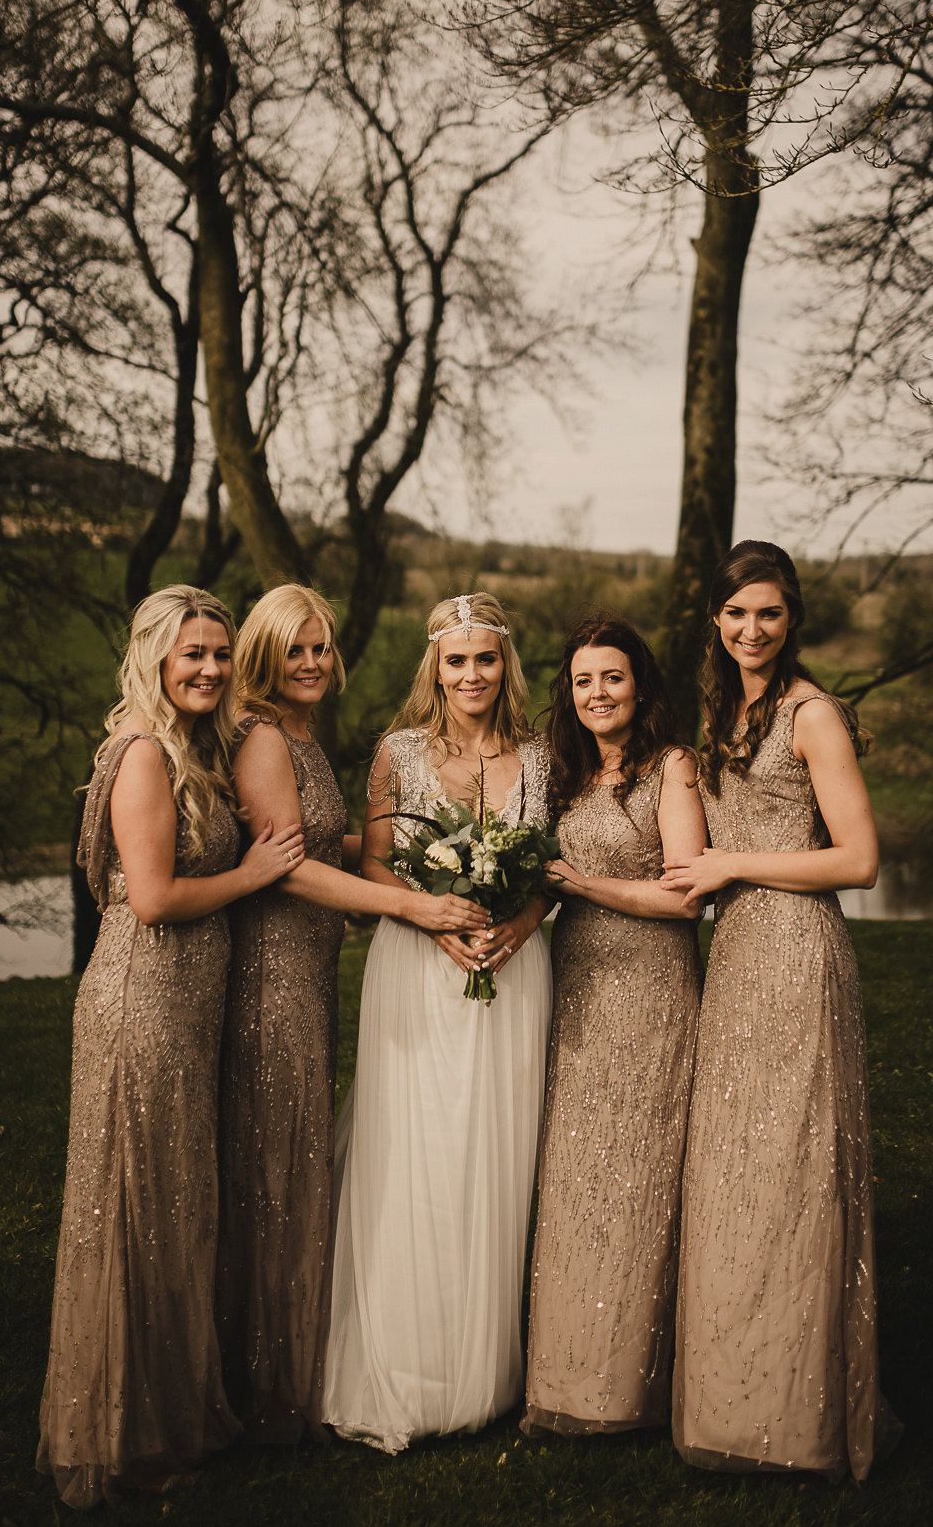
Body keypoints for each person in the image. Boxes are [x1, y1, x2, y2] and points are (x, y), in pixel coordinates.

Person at [37, 587, 302, 1510]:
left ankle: (171, 1411)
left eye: (222, 655)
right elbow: (150, 899)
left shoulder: (198, 751)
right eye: (193, 653)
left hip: (189, 1007)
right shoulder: (145, 753)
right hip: (142, 999)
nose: (211, 669)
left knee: (173, 1207)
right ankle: (121, 1435)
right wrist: (253, 873)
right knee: (134, 1209)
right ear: (154, 656)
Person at [217, 583, 489, 1443]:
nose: (311, 663)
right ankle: (266, 1382)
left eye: (321, 648)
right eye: (294, 649)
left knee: (294, 1157)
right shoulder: (263, 736)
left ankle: (286, 1360)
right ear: (263, 656)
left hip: (307, 968)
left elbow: (319, 839)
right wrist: (414, 907)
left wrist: (420, 854)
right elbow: (289, 869)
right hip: (271, 972)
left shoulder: (303, 738)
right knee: (274, 1166)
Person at [662, 541, 901, 1481]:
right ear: (715, 624)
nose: (750, 629)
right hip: (737, 963)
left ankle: (802, 1418)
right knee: (738, 1176)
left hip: (799, 954)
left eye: (767, 612)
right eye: (735, 615)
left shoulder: (812, 715)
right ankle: (735, 1404)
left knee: (796, 1170)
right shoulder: (725, 712)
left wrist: (732, 865)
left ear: (790, 616)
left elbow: (858, 860)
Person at [322, 592, 553, 1453]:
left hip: (514, 972)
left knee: (494, 1150)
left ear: (505, 665)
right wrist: (438, 920)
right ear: (435, 667)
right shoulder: (398, 754)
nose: (470, 675)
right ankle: (409, 1367)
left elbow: (544, 877)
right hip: (419, 968)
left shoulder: (539, 757)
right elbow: (378, 864)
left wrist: (516, 928)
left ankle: (484, 1373)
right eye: (455, 661)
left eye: (485, 659)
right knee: (415, 1147)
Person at [524, 613, 707, 1435]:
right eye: (583, 680)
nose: (597, 693)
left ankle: (631, 1383)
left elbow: (686, 895)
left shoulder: (671, 767)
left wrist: (581, 884)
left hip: (650, 981)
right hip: (577, 981)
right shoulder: (563, 774)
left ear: (641, 684)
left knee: (638, 1170)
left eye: (613, 677)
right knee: (576, 1172)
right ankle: (565, 1372)